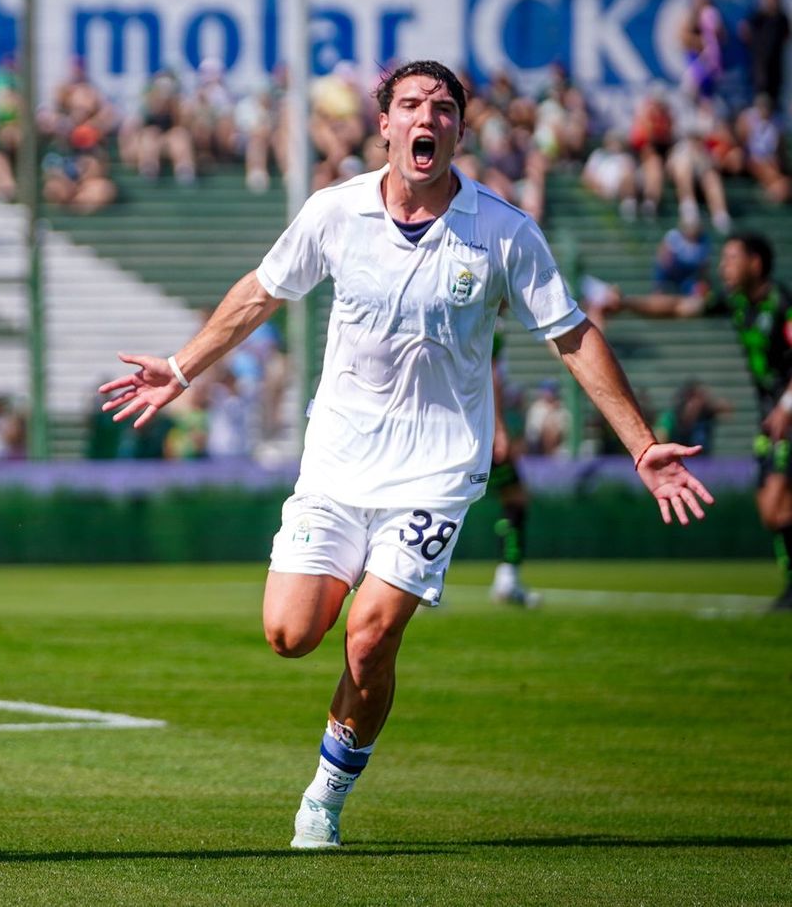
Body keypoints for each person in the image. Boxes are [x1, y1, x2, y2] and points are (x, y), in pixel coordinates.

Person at [99, 59, 713, 849]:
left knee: (369, 635)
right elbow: (262, 291)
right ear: (385, 125)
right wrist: (182, 368)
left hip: (436, 471)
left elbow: (572, 335)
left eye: (444, 107)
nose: (428, 117)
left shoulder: (504, 231)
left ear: (459, 129)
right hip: (337, 463)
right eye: (413, 104)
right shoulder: (336, 211)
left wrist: (642, 443)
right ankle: (354, 597)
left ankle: (324, 798)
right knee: (289, 634)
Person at [600, 232, 792, 610]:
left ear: (756, 263)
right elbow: (677, 307)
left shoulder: (782, 304)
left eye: (732, 258)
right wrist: (628, 304)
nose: (723, 266)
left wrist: (786, 405)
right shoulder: (737, 303)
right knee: (772, 512)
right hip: (771, 420)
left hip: (786, 416)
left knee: (776, 506)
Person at [489, 327, 539, 607]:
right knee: (515, 499)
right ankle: (507, 579)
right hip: (478, 426)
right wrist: (499, 427)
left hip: (452, 425)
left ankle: (417, 580)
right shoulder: (489, 320)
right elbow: (490, 373)